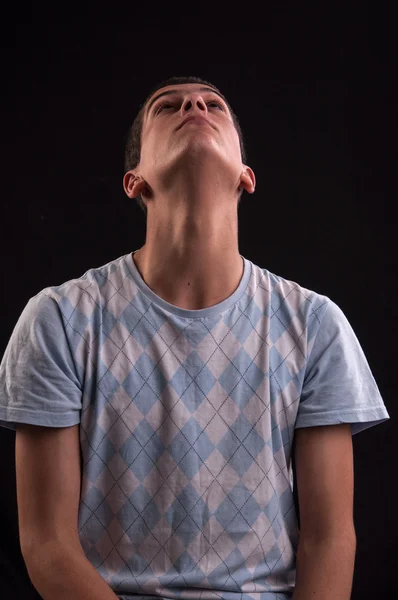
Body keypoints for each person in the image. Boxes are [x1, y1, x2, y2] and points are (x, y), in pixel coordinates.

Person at [0, 76, 390, 600]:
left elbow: (329, 540)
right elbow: (48, 544)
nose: (193, 105)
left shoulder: (316, 325)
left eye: (213, 105)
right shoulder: (59, 320)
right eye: (168, 106)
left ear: (246, 176)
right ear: (134, 180)